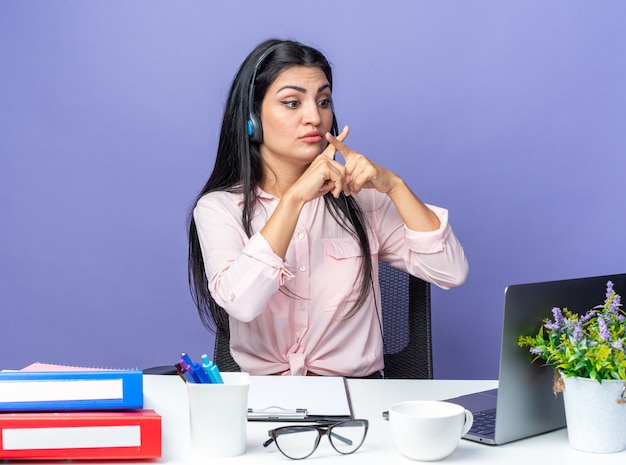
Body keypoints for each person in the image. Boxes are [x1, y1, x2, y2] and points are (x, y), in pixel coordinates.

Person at [188, 38, 468, 378]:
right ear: (251, 118)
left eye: (323, 101)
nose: (314, 117)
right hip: (266, 404)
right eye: (292, 103)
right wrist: (294, 199)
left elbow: (452, 272)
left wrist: (394, 186)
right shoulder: (220, 208)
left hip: (357, 402)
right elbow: (243, 303)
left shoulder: (361, 200)